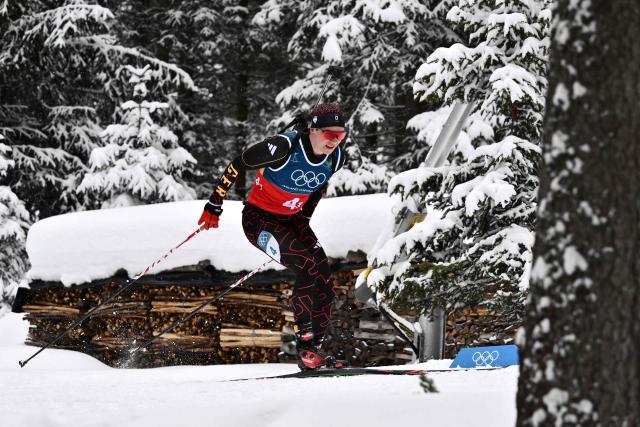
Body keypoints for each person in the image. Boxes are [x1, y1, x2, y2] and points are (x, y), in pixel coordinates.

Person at [198, 103, 348, 370]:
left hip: (293, 221)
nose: (335, 141)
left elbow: (317, 187)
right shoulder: (283, 148)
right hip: (259, 221)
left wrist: (304, 218)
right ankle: (305, 345)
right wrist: (214, 204)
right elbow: (238, 163)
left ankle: (314, 350)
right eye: (329, 134)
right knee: (305, 268)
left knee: (324, 280)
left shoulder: (335, 159)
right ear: (313, 130)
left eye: (341, 135)